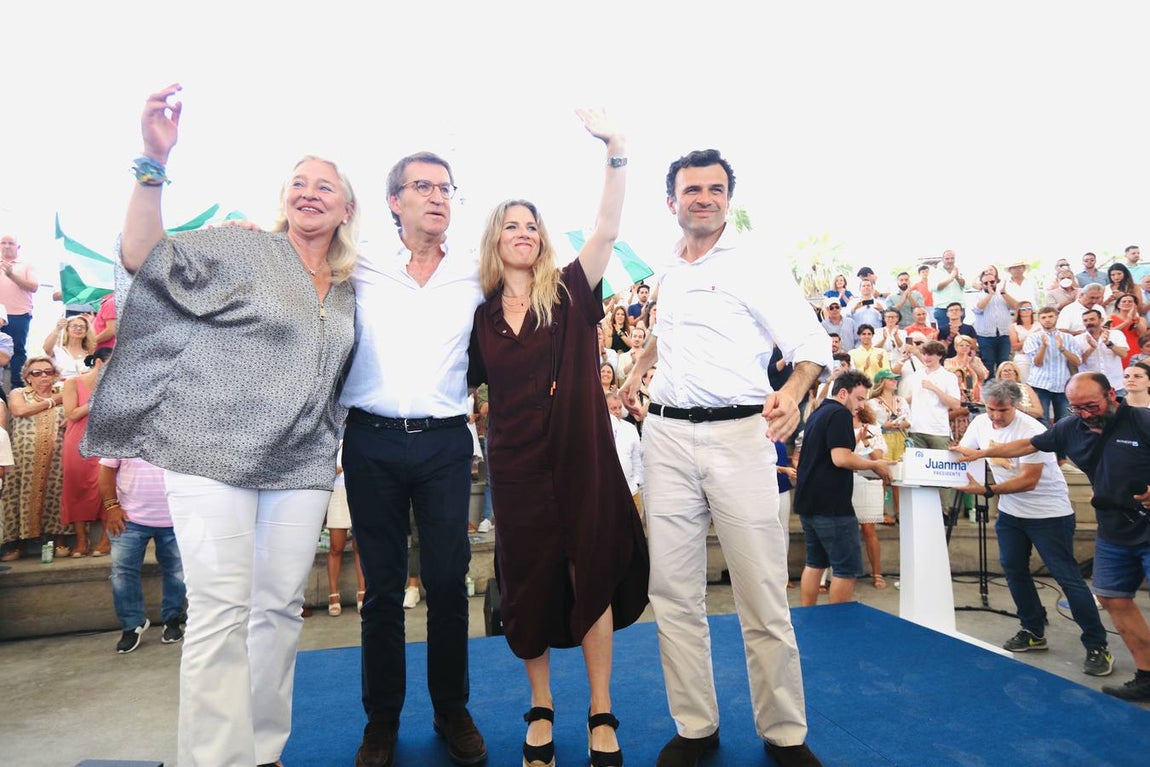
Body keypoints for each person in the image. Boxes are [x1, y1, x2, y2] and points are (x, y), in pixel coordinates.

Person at [82, 84, 358, 767]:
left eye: (326, 185)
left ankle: (262, 753)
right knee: (219, 611)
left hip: (299, 467)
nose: (310, 192)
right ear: (284, 197)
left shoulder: (355, 285)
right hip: (211, 455)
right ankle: (215, 759)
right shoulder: (242, 251)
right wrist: (153, 160)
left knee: (277, 611)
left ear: (347, 208)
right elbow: (144, 255)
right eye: (299, 182)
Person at [620, 148, 828, 767]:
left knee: (762, 592)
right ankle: (695, 727)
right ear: (671, 202)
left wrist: (792, 393)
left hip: (741, 437)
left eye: (714, 189)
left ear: (728, 201)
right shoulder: (666, 269)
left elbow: (810, 343)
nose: (703, 197)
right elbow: (674, 328)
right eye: (691, 189)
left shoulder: (757, 265)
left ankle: (785, 735)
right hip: (663, 439)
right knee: (674, 594)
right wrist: (638, 367)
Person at [467, 109, 648, 767]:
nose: (522, 233)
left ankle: (602, 708)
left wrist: (617, 150)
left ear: (542, 239)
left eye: (531, 225)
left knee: (591, 575)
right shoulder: (480, 318)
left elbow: (607, 227)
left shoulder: (573, 290)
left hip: (581, 463)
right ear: (496, 241)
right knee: (530, 585)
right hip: (515, 473)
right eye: (510, 225)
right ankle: (541, 705)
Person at [339, 146, 486, 767]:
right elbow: (299, 242)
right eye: (422, 186)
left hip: (446, 443)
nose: (437, 197)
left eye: (446, 188)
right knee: (382, 592)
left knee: (451, 584)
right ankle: (382, 721)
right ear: (394, 201)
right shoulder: (359, 263)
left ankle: (451, 709)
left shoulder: (477, 271)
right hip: (370, 440)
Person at [951, 372, 1150, 702]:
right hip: (1110, 527)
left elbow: (1029, 476)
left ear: (1112, 395)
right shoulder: (1069, 427)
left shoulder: (1140, 421)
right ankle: (1143, 673)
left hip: (1056, 516)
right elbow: (1024, 447)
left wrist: (987, 487)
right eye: (1076, 408)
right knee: (1112, 598)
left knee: (1068, 579)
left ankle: (1097, 646)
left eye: (1091, 406)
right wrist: (982, 454)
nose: (1085, 414)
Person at [796, 370, 892, 606]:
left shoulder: (819, 413)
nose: (861, 405)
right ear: (842, 393)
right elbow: (840, 458)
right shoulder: (839, 414)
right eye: (859, 399)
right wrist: (874, 464)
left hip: (809, 502)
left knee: (815, 562)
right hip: (832, 505)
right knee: (845, 569)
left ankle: (809, 616)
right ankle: (838, 625)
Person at [100, 456, 187, 654]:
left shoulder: (180, 427)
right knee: (122, 574)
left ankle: (172, 620)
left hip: (174, 519)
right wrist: (112, 507)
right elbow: (105, 469)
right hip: (129, 520)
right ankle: (132, 625)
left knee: (177, 572)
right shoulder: (124, 430)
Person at [0, 356, 67, 561]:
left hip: (57, 458)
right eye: (36, 373)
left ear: (55, 375)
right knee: (19, 496)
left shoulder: (66, 392)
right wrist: (53, 401)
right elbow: (20, 411)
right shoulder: (18, 393)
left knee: (56, 494)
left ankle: (60, 540)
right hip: (23, 459)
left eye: (48, 371)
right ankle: (17, 543)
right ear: (27, 377)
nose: (43, 376)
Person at [61, 347, 113, 557]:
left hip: (108, 440)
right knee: (75, 488)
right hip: (79, 439)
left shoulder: (119, 386)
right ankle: (81, 541)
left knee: (108, 487)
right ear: (99, 363)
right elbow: (71, 414)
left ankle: (106, 539)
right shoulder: (74, 382)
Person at [851, 394, 888, 589]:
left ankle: (877, 572)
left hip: (868, 480)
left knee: (868, 529)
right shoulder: (838, 425)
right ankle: (847, 573)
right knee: (845, 528)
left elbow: (878, 457)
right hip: (845, 479)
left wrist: (865, 441)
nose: (857, 407)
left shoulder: (873, 428)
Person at [325, 439, 365, 617]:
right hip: (336, 491)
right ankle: (333, 595)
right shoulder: (331, 431)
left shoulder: (360, 428)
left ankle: (363, 592)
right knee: (336, 546)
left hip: (358, 489)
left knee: (360, 546)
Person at [1023, 306, 1080, 423]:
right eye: (1043, 317)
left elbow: (1077, 361)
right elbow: (1037, 363)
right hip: (1040, 383)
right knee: (1040, 419)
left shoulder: (1068, 338)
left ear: (1057, 318)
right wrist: (1043, 346)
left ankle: (1062, 441)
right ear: (1039, 320)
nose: (1047, 320)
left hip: (1063, 383)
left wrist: (1062, 348)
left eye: (1050, 316)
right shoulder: (1033, 338)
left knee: (1065, 420)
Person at [0, 234, 40, 389]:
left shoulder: (26, 265)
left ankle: (17, 389)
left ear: (18, 247)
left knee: (17, 351)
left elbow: (33, 287)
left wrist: (11, 275)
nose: (7, 246)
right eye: (3, 243)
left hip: (18, 314)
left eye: (11, 243)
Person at [606, 391, 644, 525]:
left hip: (631, 488)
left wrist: (637, 481)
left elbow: (637, 459)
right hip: (607, 492)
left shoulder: (629, 429)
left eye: (619, 408)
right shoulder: (597, 430)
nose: (617, 412)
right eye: (613, 408)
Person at [970, 268, 1018, 375]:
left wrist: (1004, 294)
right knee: (988, 364)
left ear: (996, 281)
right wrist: (990, 295)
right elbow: (978, 308)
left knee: (1004, 363)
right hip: (985, 336)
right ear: (982, 284)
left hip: (1004, 334)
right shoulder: (978, 295)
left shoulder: (1003, 294)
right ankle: (990, 389)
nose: (989, 284)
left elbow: (1015, 306)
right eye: (986, 283)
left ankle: (1004, 388)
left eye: (992, 282)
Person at [1076, 309, 1129, 394]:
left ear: (1101, 320)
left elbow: (1124, 354)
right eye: (1085, 320)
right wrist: (1092, 348)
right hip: (1091, 386)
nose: (1088, 322)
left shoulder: (1116, 334)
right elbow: (1078, 362)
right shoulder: (1078, 339)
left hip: (1115, 385)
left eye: (1092, 319)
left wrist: (1108, 343)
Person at [43, 314, 95, 379]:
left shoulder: (90, 353)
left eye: (82, 327)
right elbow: (46, 348)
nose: (78, 328)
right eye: (74, 326)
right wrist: (58, 328)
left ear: (86, 331)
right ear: (67, 329)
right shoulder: (58, 350)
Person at [933, 249, 967, 328]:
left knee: (959, 337)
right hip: (942, 309)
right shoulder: (935, 272)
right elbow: (934, 288)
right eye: (947, 259)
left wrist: (957, 277)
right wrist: (951, 278)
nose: (950, 261)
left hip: (959, 307)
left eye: (952, 258)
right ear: (942, 259)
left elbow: (967, 286)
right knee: (944, 337)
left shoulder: (960, 269)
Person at [1110, 293, 1146, 367]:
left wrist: (1134, 318)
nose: (1127, 303)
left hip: (1136, 349)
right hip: (1120, 350)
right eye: (1124, 301)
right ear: (1118, 305)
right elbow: (1110, 332)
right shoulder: (1110, 318)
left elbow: (1142, 334)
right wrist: (1127, 321)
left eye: (1130, 301)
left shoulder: (1141, 319)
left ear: (1135, 305)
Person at [1009, 301, 1038, 383]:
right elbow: (1014, 346)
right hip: (1022, 357)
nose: (1027, 310)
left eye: (1029, 308)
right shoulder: (1014, 327)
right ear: (1019, 311)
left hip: (1038, 355)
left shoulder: (1038, 325)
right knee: (1025, 381)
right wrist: (1029, 339)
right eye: (1023, 309)